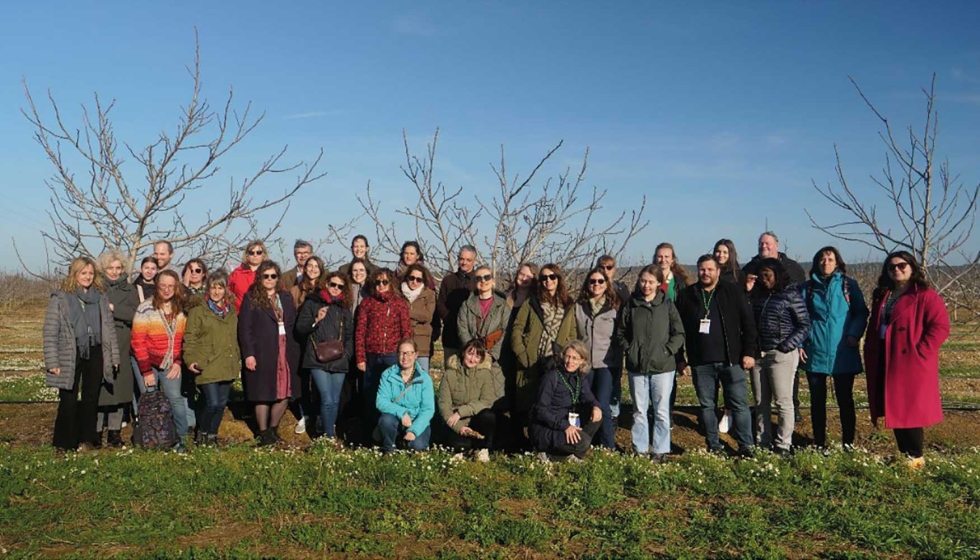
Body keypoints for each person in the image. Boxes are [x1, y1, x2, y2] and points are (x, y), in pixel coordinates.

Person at [864, 251, 950, 469]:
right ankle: (905, 456)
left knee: (909, 410)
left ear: (912, 267)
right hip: (886, 355)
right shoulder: (883, 295)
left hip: (910, 360)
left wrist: (920, 351)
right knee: (894, 407)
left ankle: (916, 458)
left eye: (902, 265)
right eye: (891, 267)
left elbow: (940, 326)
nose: (897, 270)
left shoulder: (924, 295)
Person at [676, 255, 758, 456]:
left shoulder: (732, 292)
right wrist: (680, 358)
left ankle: (745, 445)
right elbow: (677, 330)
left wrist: (749, 352)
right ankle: (714, 445)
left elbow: (748, 324)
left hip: (732, 360)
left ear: (718, 271)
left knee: (739, 404)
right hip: (700, 362)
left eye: (710, 269)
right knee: (707, 406)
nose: (705, 273)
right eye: (702, 269)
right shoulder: (687, 295)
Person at [44, 256, 121, 452]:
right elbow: (50, 331)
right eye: (83, 273)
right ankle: (64, 443)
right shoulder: (61, 298)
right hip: (70, 352)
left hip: (95, 351)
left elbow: (109, 330)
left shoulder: (99, 297)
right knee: (68, 399)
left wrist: (113, 356)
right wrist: (52, 361)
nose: (87, 277)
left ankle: (88, 440)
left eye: (90, 273)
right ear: (75, 274)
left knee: (91, 397)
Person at [800, 247, 869, 449]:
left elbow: (861, 312)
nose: (826, 262)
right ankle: (819, 443)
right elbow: (799, 318)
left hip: (843, 351)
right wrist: (801, 343)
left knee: (845, 400)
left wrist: (854, 334)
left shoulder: (849, 286)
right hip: (816, 350)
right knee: (817, 402)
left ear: (837, 262)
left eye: (830, 259)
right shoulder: (808, 288)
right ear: (816, 262)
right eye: (822, 259)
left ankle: (848, 443)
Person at [617, 265, 685, 461]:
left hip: (662, 367)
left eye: (650, 282)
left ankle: (660, 450)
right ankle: (640, 449)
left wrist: (668, 350)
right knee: (639, 410)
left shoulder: (667, 305)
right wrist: (629, 349)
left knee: (661, 410)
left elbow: (679, 332)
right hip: (636, 366)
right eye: (643, 281)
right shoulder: (631, 304)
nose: (646, 285)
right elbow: (621, 331)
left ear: (658, 284)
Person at [742, 231, 807, 422]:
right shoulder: (750, 268)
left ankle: (785, 438)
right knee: (761, 399)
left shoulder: (793, 268)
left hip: (783, 346)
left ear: (777, 245)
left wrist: (791, 344)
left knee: (784, 396)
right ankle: (763, 441)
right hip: (759, 348)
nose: (764, 247)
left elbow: (802, 318)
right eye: (761, 243)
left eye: (768, 244)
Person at [748, 258, 810, 456]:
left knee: (783, 402)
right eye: (762, 275)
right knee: (760, 402)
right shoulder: (756, 295)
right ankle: (762, 442)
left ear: (777, 274)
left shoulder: (791, 295)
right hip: (759, 354)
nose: (764, 279)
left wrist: (787, 346)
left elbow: (804, 324)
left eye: (768, 275)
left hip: (781, 354)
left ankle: (783, 444)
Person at [510, 263, 577, 445]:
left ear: (558, 279)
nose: (548, 281)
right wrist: (522, 354)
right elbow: (517, 329)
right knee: (528, 402)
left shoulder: (569, 304)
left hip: (556, 362)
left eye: (552, 277)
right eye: (544, 277)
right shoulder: (532, 301)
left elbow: (572, 334)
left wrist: (568, 358)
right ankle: (526, 442)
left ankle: (546, 442)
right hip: (532, 360)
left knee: (550, 404)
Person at [237, 261, 301, 446]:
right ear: (260, 278)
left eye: (273, 276)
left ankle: (272, 430)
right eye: (266, 276)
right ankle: (262, 432)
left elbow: (293, 323)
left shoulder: (286, 297)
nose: (270, 279)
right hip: (262, 350)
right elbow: (244, 329)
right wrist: (249, 353)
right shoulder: (251, 298)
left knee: (285, 390)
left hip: (285, 349)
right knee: (262, 391)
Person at [131, 270, 189, 449]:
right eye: (163, 285)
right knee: (150, 399)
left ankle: (182, 438)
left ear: (176, 287)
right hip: (146, 360)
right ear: (157, 286)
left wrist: (178, 362)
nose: (166, 289)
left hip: (171, 361)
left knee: (175, 399)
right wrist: (146, 371)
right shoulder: (146, 308)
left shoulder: (181, 309)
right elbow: (138, 341)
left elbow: (183, 339)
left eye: (171, 286)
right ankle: (152, 439)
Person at [183, 270, 240, 447]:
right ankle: (203, 432)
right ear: (208, 289)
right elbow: (190, 337)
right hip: (206, 363)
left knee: (221, 404)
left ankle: (212, 437)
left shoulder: (231, 312)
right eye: (213, 287)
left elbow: (236, 337)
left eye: (220, 288)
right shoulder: (198, 311)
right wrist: (189, 359)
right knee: (212, 402)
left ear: (225, 290)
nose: (216, 292)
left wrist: (238, 356)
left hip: (227, 362)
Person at [295, 271, 354, 440]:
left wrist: (347, 354)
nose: (336, 289)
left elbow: (349, 335)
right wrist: (316, 319)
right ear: (326, 284)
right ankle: (329, 437)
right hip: (316, 358)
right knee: (327, 399)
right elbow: (300, 328)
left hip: (339, 358)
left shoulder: (344, 308)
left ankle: (326, 426)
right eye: (333, 284)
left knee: (335, 400)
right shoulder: (313, 302)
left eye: (340, 286)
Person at [355, 268, 412, 437]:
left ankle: (393, 431)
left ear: (391, 283)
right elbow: (360, 332)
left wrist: (406, 356)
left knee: (394, 395)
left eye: (384, 282)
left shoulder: (400, 303)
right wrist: (360, 357)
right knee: (370, 393)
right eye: (377, 282)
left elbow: (406, 332)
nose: (381, 285)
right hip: (372, 355)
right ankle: (370, 433)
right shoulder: (366, 303)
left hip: (393, 356)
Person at [530, 340, 602, 462]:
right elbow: (540, 411)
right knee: (584, 441)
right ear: (562, 357)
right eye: (567, 357)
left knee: (597, 415)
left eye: (575, 358)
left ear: (582, 361)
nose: (570, 362)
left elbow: (588, 398)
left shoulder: (579, 377)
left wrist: (596, 406)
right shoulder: (551, 377)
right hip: (546, 428)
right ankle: (548, 454)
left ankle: (573, 454)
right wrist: (565, 426)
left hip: (567, 421)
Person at [575, 266, 622, 450]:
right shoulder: (579, 306)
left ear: (606, 283)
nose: (596, 284)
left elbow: (620, 335)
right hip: (585, 363)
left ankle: (608, 444)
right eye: (592, 281)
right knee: (585, 402)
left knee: (602, 403)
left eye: (600, 281)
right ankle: (584, 442)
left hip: (607, 363)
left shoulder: (615, 306)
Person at [96, 250, 139, 447]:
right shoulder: (96, 288)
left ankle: (114, 432)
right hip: (99, 341)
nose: (114, 272)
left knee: (119, 389)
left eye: (118, 268)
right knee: (99, 389)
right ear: (103, 269)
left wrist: (113, 309)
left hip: (122, 341)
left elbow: (135, 314)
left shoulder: (130, 289)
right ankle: (95, 431)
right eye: (110, 268)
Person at [437, 340, 503, 461]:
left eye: (477, 356)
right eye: (470, 354)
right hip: (456, 421)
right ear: (463, 353)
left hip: (474, 418)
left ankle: (483, 449)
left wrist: (461, 412)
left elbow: (486, 401)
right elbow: (443, 405)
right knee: (460, 445)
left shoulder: (485, 374)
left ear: (481, 359)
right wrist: (459, 427)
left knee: (489, 415)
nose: (472, 359)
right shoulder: (449, 374)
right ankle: (464, 448)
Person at [654, 243, 693, 429]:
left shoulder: (679, 283)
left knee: (670, 374)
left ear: (673, 259)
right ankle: (654, 412)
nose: (663, 260)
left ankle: (667, 412)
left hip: (672, 333)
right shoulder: (649, 279)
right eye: (660, 256)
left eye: (667, 256)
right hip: (653, 333)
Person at [375, 339, 435, 452]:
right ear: (397, 354)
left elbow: (428, 409)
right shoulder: (387, 375)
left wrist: (414, 430)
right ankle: (389, 448)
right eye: (402, 353)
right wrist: (402, 412)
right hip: (395, 419)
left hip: (416, 420)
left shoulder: (424, 379)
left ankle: (406, 441)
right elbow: (381, 401)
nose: (405, 357)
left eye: (409, 353)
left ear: (416, 355)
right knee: (386, 420)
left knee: (417, 446)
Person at [288, 255, 326, 434]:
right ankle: (306, 414)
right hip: (300, 339)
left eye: (315, 266)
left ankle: (319, 414)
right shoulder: (295, 290)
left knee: (319, 379)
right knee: (302, 379)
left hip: (320, 340)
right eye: (309, 266)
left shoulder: (326, 289)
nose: (312, 269)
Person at [458, 266, 509, 363]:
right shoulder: (466, 305)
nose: (483, 280)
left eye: (487, 277)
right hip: (471, 358)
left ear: (493, 280)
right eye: (478, 278)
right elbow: (462, 330)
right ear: (474, 282)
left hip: (495, 360)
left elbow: (506, 331)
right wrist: (473, 353)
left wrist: (492, 354)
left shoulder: (503, 306)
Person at [436, 245, 478, 365]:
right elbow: (440, 304)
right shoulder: (448, 280)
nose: (464, 262)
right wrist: (450, 319)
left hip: (473, 337)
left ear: (474, 261)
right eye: (461, 259)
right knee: (451, 371)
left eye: (468, 260)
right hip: (451, 335)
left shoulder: (479, 281)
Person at [401, 263, 438, 372]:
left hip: (422, 343)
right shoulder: (399, 294)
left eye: (418, 279)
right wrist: (417, 315)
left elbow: (427, 316)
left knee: (421, 376)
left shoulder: (429, 294)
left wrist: (407, 312)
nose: (414, 282)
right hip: (403, 342)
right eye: (412, 278)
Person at [229, 240, 268, 312]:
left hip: (264, 315)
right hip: (240, 315)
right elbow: (227, 293)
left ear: (263, 255)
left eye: (258, 252)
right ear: (247, 255)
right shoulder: (236, 274)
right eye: (251, 252)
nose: (255, 255)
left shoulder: (270, 274)